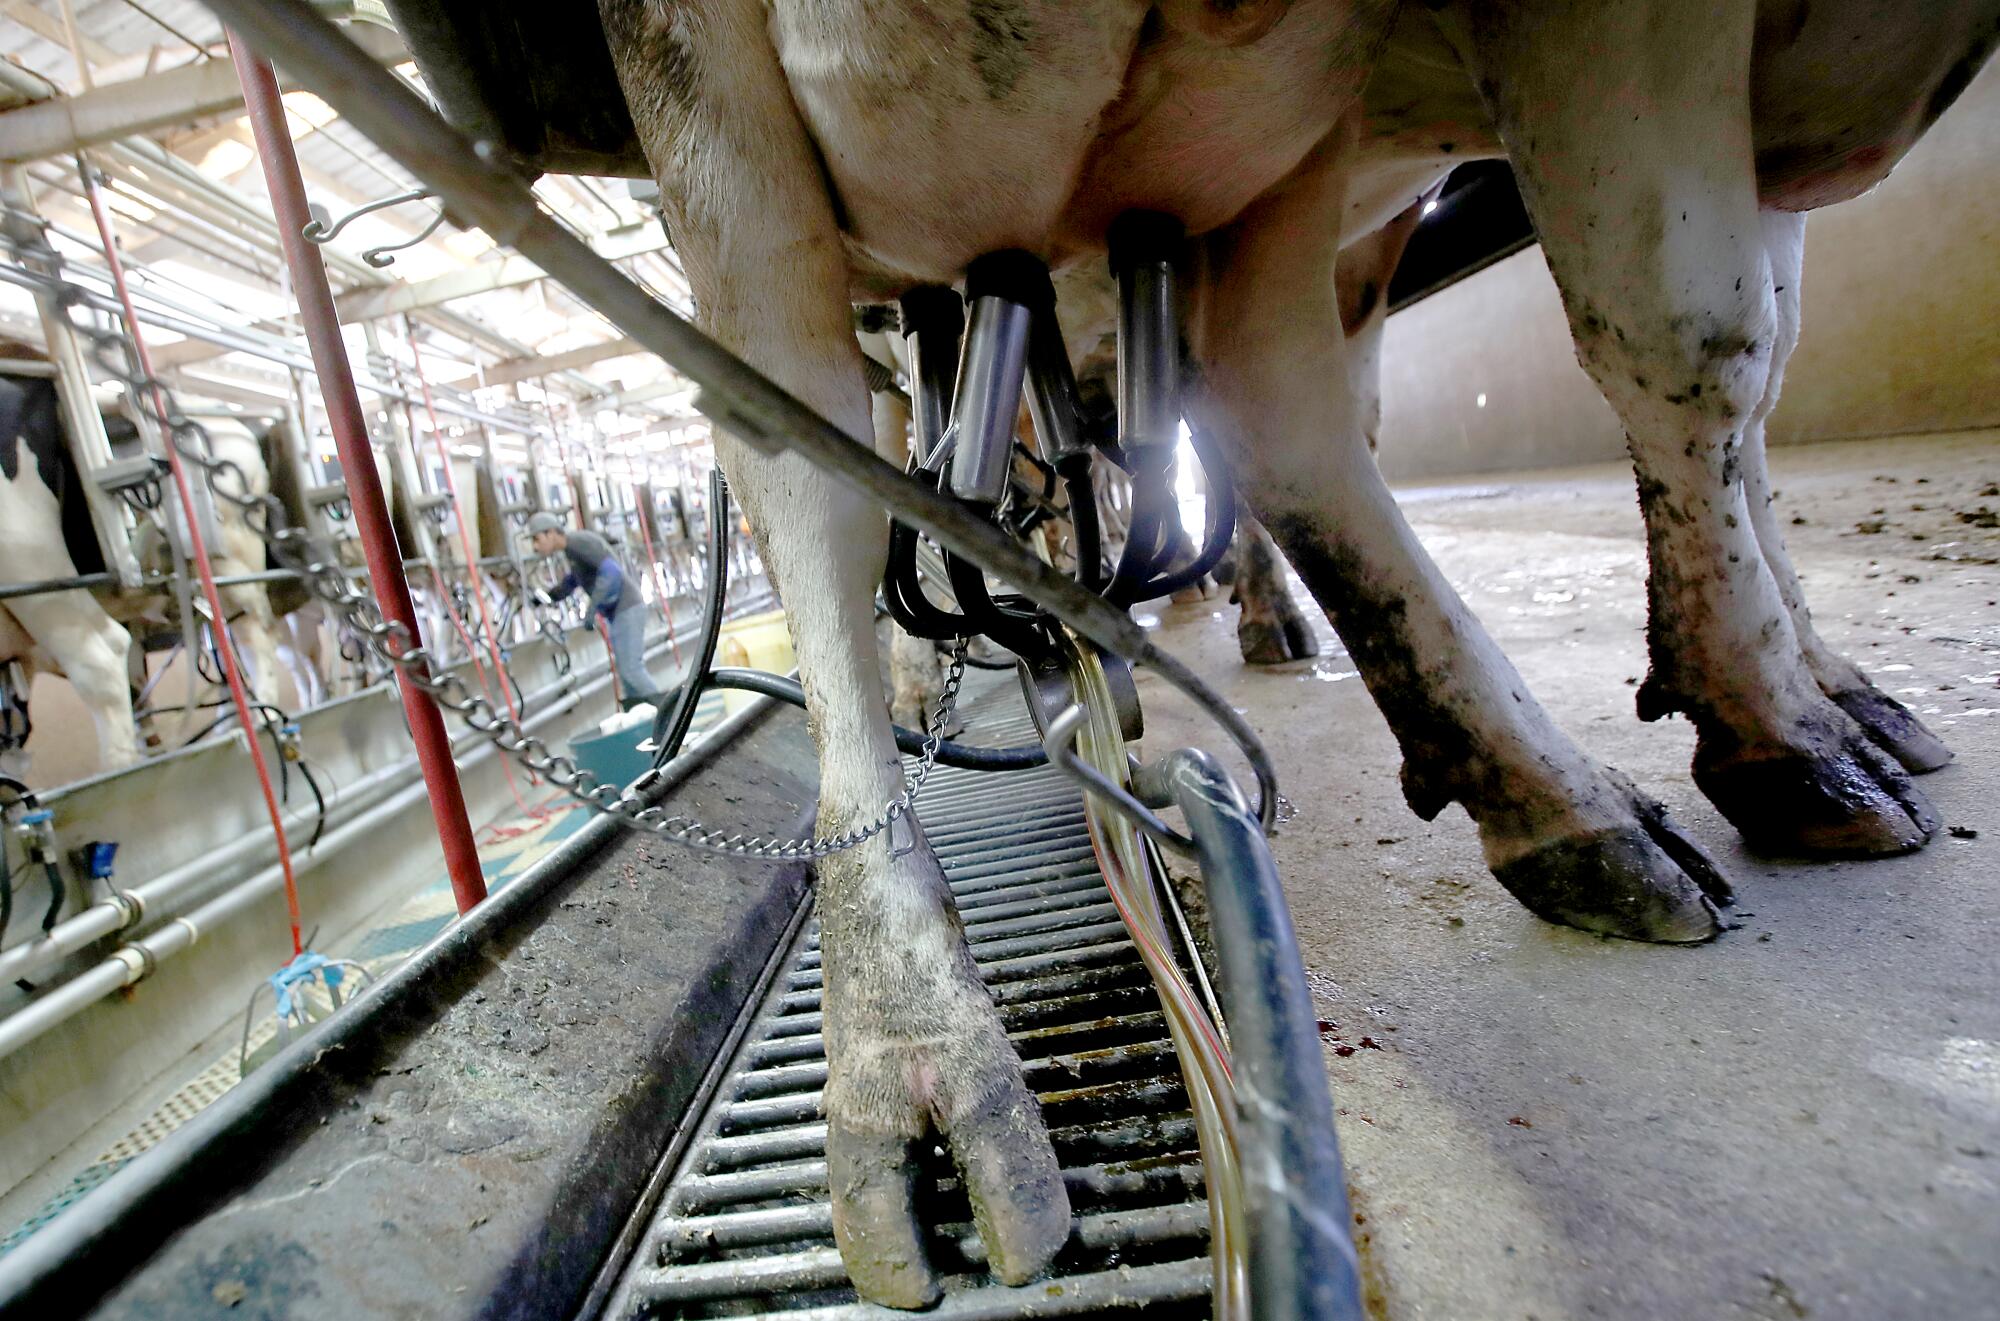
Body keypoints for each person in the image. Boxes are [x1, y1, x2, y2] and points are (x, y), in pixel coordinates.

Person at [525, 511, 665, 710]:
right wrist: (548, 597)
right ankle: (643, 720)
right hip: (618, 613)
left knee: (631, 669)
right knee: (626, 674)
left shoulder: (578, 542)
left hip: (627, 608)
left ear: (551, 533)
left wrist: (593, 608)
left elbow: (611, 573)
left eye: (537, 539)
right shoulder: (571, 551)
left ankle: (666, 715)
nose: (535, 546)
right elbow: (573, 581)